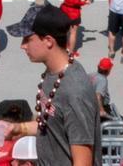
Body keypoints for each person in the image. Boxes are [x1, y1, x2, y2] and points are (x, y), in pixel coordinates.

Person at [20, 9, 97, 166]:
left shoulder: (75, 92)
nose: (23, 46)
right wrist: (16, 129)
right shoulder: (53, 73)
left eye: (28, 39)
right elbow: (50, 125)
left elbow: (82, 162)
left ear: (48, 41)